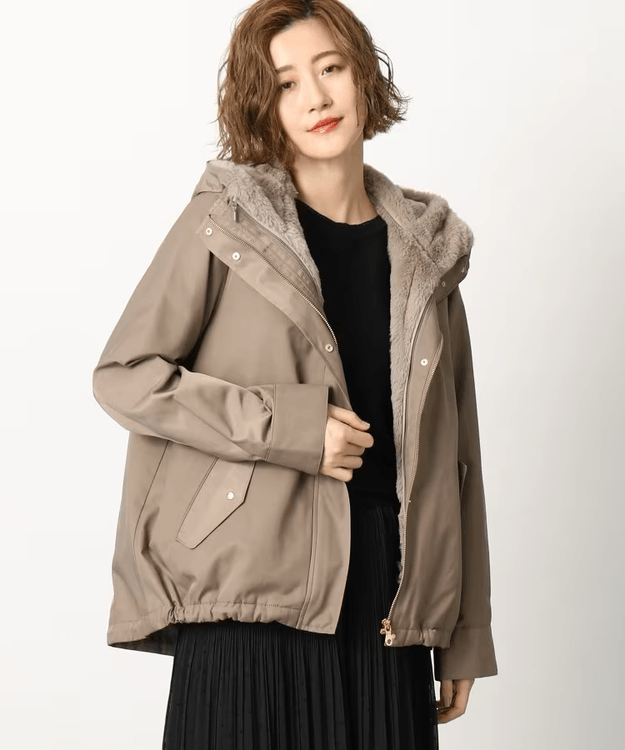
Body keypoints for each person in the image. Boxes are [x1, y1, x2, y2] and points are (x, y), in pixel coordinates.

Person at [91, 0, 498, 747]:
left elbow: (456, 453)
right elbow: (124, 374)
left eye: (330, 68)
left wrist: (464, 629)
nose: (314, 97)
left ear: (363, 77)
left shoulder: (427, 254)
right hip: (252, 590)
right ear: (263, 106)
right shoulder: (226, 223)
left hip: (387, 598)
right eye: (284, 83)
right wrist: (291, 428)